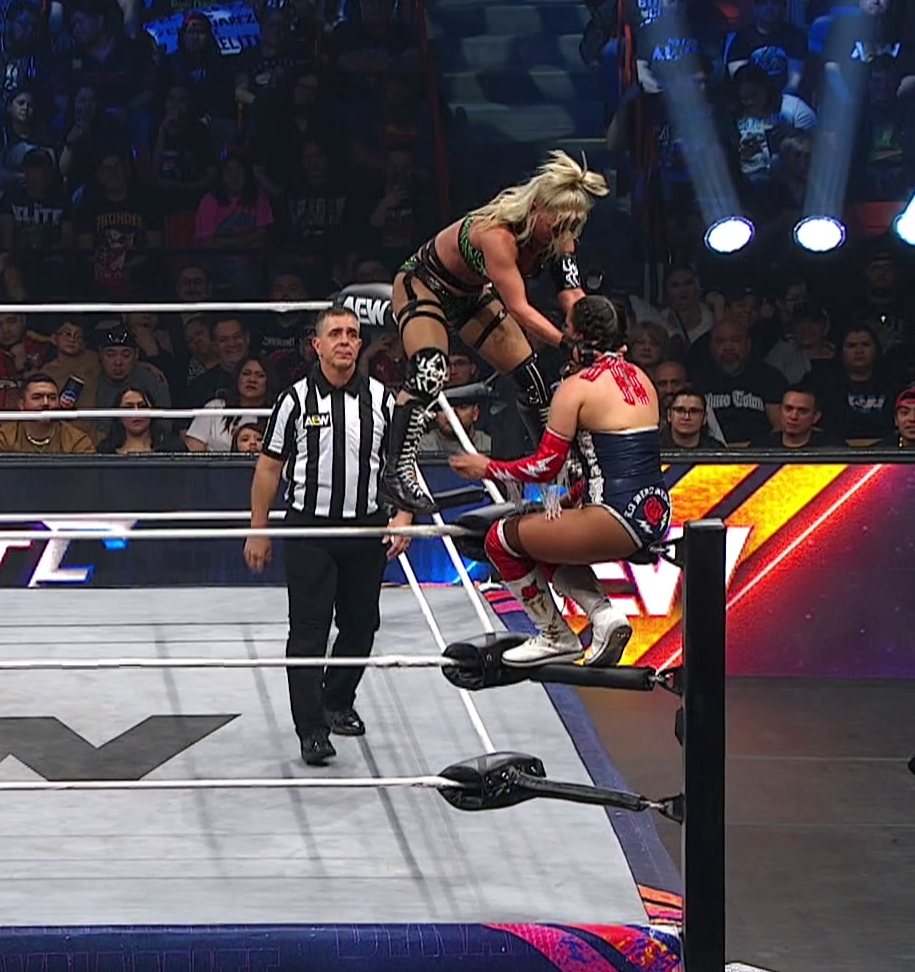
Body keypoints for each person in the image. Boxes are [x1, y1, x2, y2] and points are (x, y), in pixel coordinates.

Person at [382, 150, 611, 513]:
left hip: (471, 295)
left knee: (531, 377)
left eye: (571, 227)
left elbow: (571, 294)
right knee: (430, 369)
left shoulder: (559, 239)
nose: (563, 234)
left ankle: (556, 465)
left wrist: (595, 334)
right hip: (425, 284)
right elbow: (518, 307)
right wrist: (567, 343)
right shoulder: (497, 234)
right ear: (536, 208)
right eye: (558, 225)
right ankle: (396, 471)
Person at [448, 295, 661, 667]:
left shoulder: (577, 388)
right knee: (543, 534)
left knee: (501, 539)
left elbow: (545, 466)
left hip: (613, 517)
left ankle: (554, 635)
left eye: (566, 329)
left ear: (577, 337)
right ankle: (603, 616)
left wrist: (488, 468)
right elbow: (619, 464)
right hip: (652, 512)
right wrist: (570, 499)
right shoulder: (640, 379)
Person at [244, 304, 412, 766]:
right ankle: (311, 729)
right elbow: (269, 468)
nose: (345, 341)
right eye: (335, 333)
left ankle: (337, 700)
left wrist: (403, 515)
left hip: (366, 529)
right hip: (309, 531)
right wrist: (258, 529)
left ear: (360, 344)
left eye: (352, 334)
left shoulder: (382, 400)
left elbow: (400, 463)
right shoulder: (294, 400)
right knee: (308, 632)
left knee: (361, 626)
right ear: (316, 345)